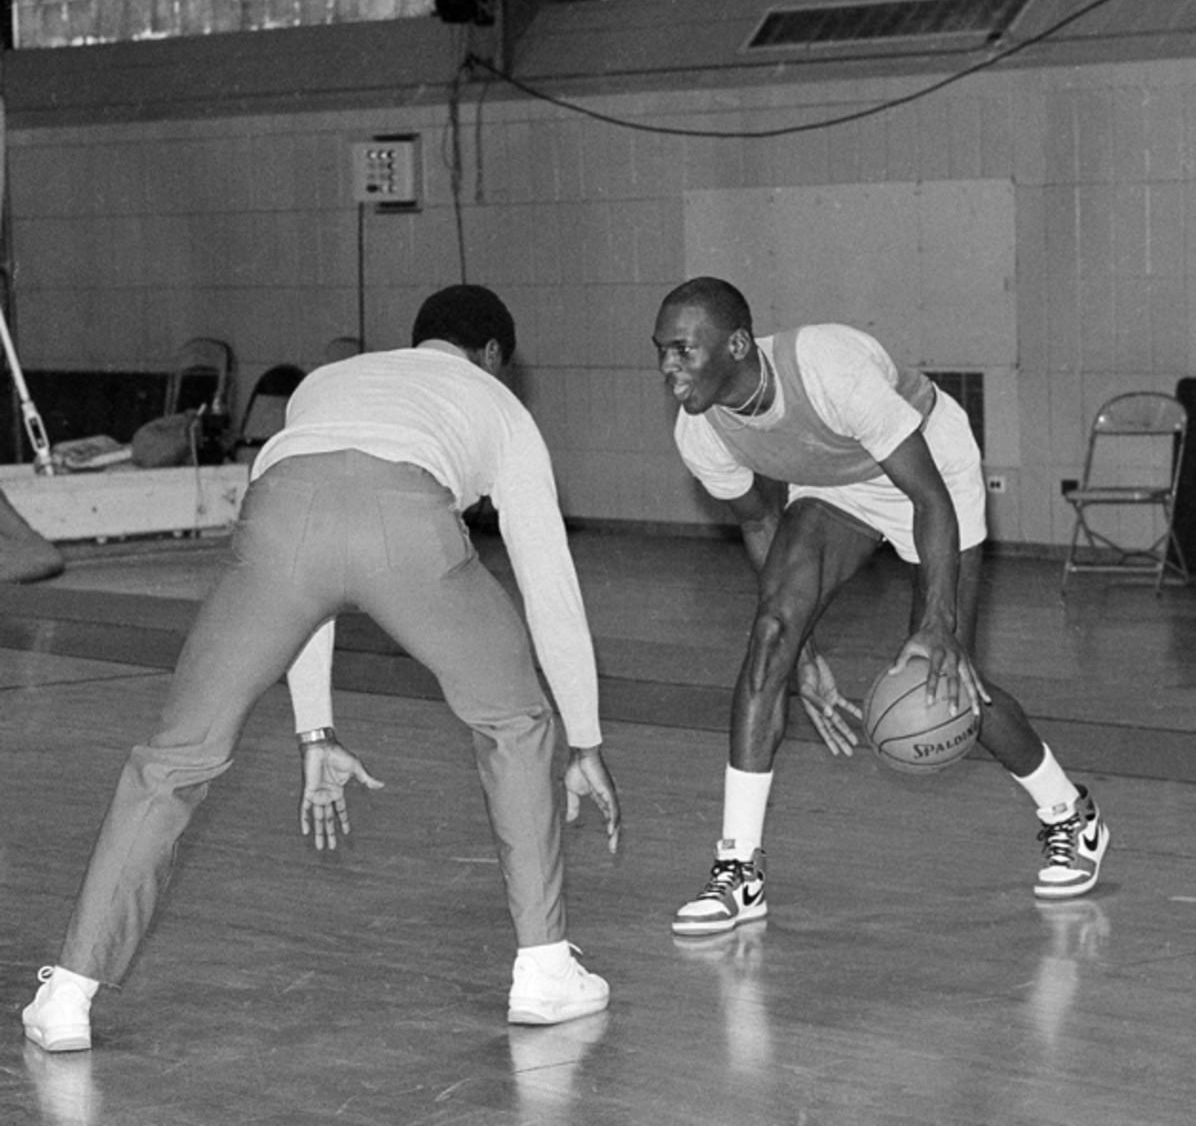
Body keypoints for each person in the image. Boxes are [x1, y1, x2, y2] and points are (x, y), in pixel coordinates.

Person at [23, 284, 622, 1052]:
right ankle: (543, 970)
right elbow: (549, 580)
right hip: (410, 522)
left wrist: (316, 732)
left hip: (276, 519)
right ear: (495, 356)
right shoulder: (496, 404)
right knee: (513, 720)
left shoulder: (329, 382)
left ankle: (69, 994)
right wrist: (584, 737)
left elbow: (315, 561)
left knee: (175, 759)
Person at [652, 275, 1108, 937]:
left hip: (931, 468)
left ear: (738, 345)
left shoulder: (830, 368)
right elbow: (759, 526)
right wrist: (801, 650)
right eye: (661, 350)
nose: (668, 366)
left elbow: (929, 499)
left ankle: (1069, 814)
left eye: (682, 350)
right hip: (837, 484)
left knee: (947, 681)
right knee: (770, 640)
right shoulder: (703, 433)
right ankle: (739, 871)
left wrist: (936, 624)